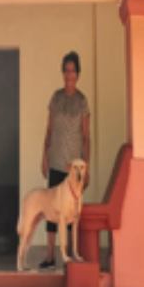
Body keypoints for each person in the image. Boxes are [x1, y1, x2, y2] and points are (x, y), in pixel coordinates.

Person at [39, 51, 90, 271]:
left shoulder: (82, 101)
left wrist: (86, 167)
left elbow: (87, 136)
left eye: (73, 70)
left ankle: (68, 256)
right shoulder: (55, 98)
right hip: (56, 160)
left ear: (78, 73)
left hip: (74, 167)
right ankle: (50, 256)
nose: (69, 74)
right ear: (63, 73)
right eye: (66, 70)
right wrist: (44, 155)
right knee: (52, 209)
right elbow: (49, 129)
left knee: (71, 212)